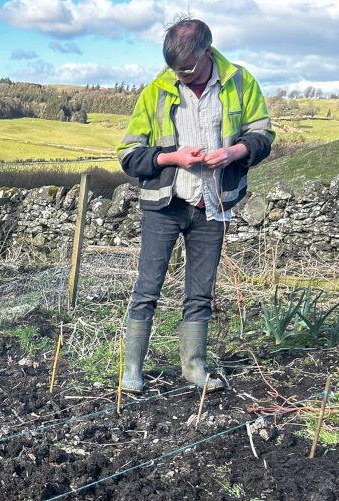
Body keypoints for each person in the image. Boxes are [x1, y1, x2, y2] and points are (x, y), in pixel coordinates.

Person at [117, 18, 274, 392]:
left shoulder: (240, 81)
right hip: (164, 205)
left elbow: (263, 135)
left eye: (187, 69)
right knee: (147, 289)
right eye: (175, 70)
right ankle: (132, 371)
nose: (181, 76)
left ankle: (194, 369)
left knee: (201, 292)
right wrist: (173, 159)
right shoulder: (156, 91)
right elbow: (128, 155)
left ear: (207, 51)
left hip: (214, 204)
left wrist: (235, 152)